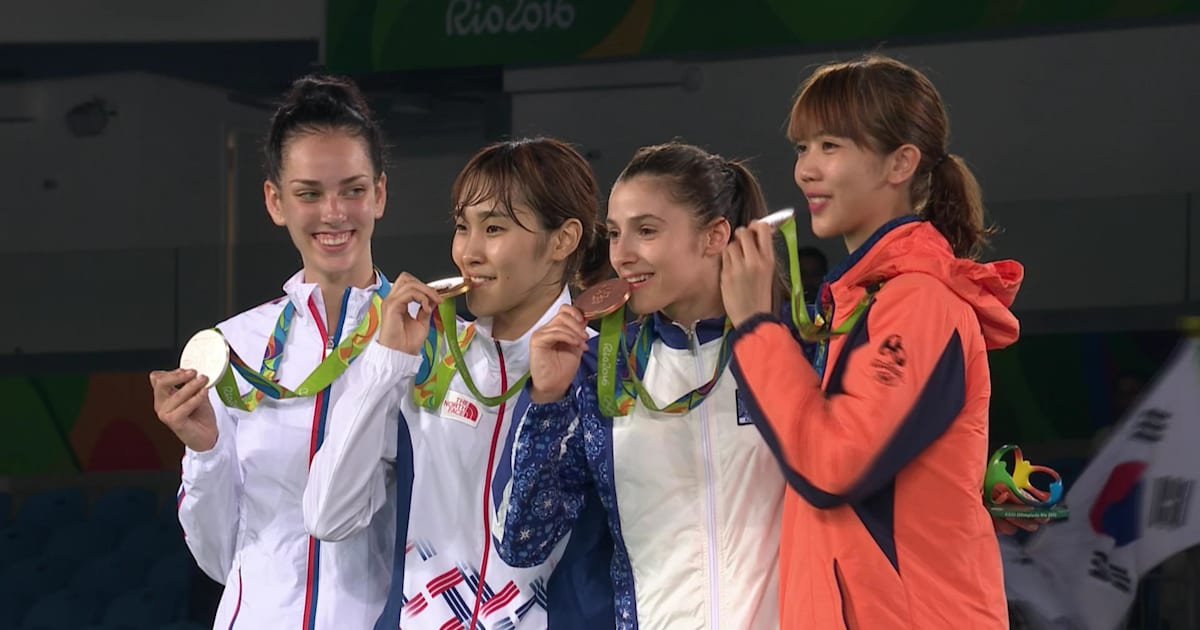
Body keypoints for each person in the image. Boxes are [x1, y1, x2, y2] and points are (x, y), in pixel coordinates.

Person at [719, 53, 1024, 628]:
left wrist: (758, 328)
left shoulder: (919, 302)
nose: (805, 170)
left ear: (900, 163)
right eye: (802, 149)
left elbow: (832, 468)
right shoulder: (865, 298)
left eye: (830, 146)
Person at [303, 137, 616, 629]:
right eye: (461, 227)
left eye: (493, 228)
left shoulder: (606, 370)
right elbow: (328, 517)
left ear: (563, 240)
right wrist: (386, 363)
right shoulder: (423, 356)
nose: (468, 251)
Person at [495, 141, 785, 629]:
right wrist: (546, 402)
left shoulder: (798, 352)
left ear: (714, 237)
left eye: (646, 231)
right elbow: (521, 539)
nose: (623, 255)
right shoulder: (597, 369)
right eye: (613, 234)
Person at [149, 74, 394, 628]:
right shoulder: (232, 349)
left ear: (379, 193)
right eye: (309, 193)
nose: (333, 213)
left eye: (352, 190)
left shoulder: (427, 340)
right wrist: (205, 449)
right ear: (275, 201)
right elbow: (218, 557)